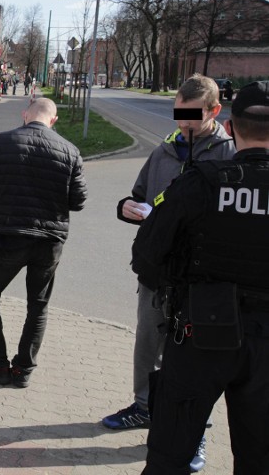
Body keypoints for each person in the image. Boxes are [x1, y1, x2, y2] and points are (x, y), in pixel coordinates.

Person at [132, 80, 269, 474]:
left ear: (228, 122)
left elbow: (146, 257)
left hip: (200, 335)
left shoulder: (202, 183)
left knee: (169, 457)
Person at [102, 74, 234, 471]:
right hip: (158, 269)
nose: (183, 124)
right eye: (179, 114)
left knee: (195, 361)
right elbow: (139, 196)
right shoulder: (164, 151)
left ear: (214, 112)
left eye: (192, 116)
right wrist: (126, 206)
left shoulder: (228, 155)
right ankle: (144, 405)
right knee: (147, 343)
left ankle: (195, 434)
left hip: (202, 277)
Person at [0, 98, 87, 388]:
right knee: (38, 305)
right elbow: (78, 202)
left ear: (25, 115)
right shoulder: (71, 151)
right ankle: (23, 370)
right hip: (49, 241)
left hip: (9, 237)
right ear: (53, 120)